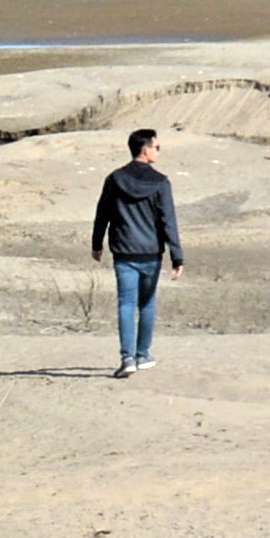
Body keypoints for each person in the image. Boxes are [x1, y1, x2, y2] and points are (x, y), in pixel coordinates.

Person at [87, 127, 186, 376]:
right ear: (145, 149)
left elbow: (103, 214)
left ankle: (128, 358)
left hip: (124, 251)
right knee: (146, 304)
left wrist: (97, 243)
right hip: (150, 253)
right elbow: (168, 221)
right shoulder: (161, 183)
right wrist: (177, 256)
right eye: (156, 147)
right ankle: (142, 355)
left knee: (126, 304)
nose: (158, 151)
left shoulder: (115, 178)